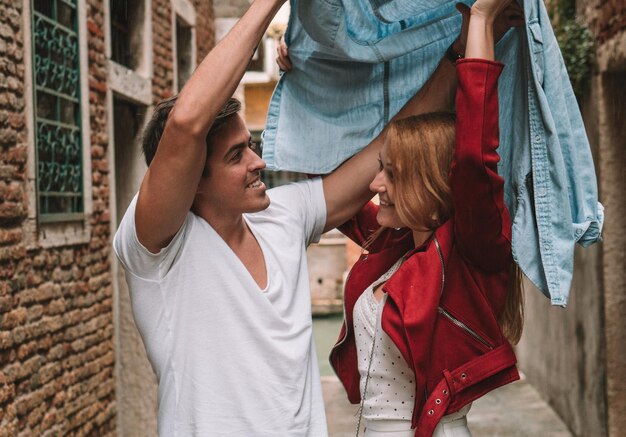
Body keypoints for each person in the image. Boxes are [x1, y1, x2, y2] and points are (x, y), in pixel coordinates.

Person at [113, 0, 470, 434]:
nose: (257, 162)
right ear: (193, 182)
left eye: (250, 145)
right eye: (235, 156)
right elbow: (186, 124)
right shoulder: (157, 249)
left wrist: (462, 47)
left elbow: (391, 139)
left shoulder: (284, 215)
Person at [329, 0, 525, 436]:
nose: (375, 184)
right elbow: (330, 185)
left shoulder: (471, 256)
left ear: (431, 185)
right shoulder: (394, 245)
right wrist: (305, 70)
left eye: (392, 173)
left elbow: (475, 157)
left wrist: (481, 20)